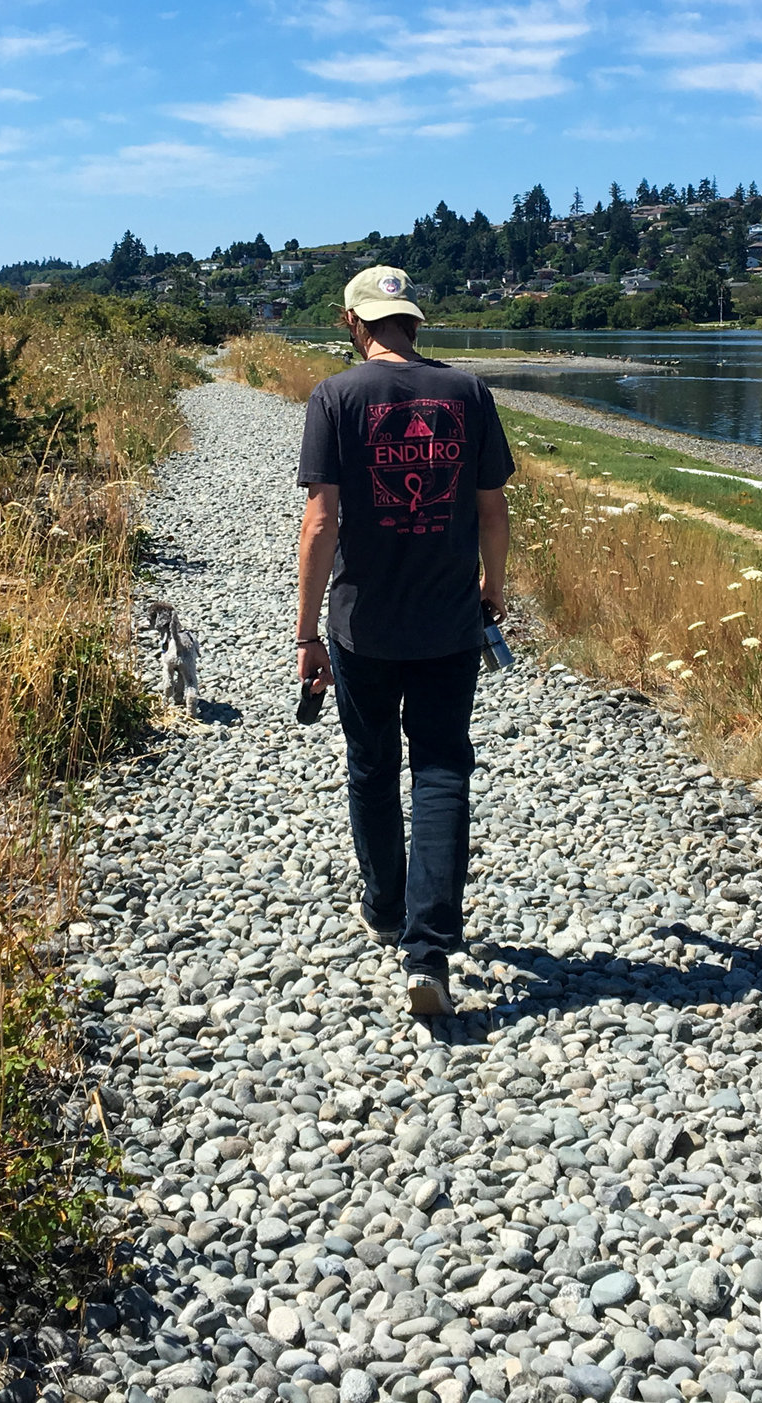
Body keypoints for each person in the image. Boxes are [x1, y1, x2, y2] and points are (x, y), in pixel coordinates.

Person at [295, 265, 514, 1017]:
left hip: (363, 623)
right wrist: (494, 589)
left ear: (355, 323)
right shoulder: (468, 393)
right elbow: (493, 512)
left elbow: (322, 523)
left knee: (372, 764)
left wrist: (306, 632)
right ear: (413, 321)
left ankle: (386, 908)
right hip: (449, 619)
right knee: (443, 766)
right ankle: (428, 951)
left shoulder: (335, 396)